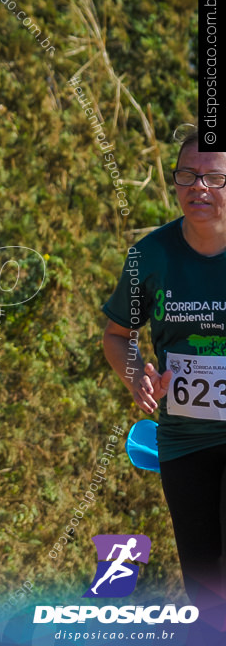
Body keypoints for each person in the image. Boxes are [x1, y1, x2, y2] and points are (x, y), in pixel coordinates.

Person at [102, 129, 226, 616]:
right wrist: (136, 375)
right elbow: (117, 335)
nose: (200, 188)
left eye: (215, 178)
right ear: (174, 183)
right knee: (204, 580)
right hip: (183, 440)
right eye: (188, 176)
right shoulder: (150, 256)